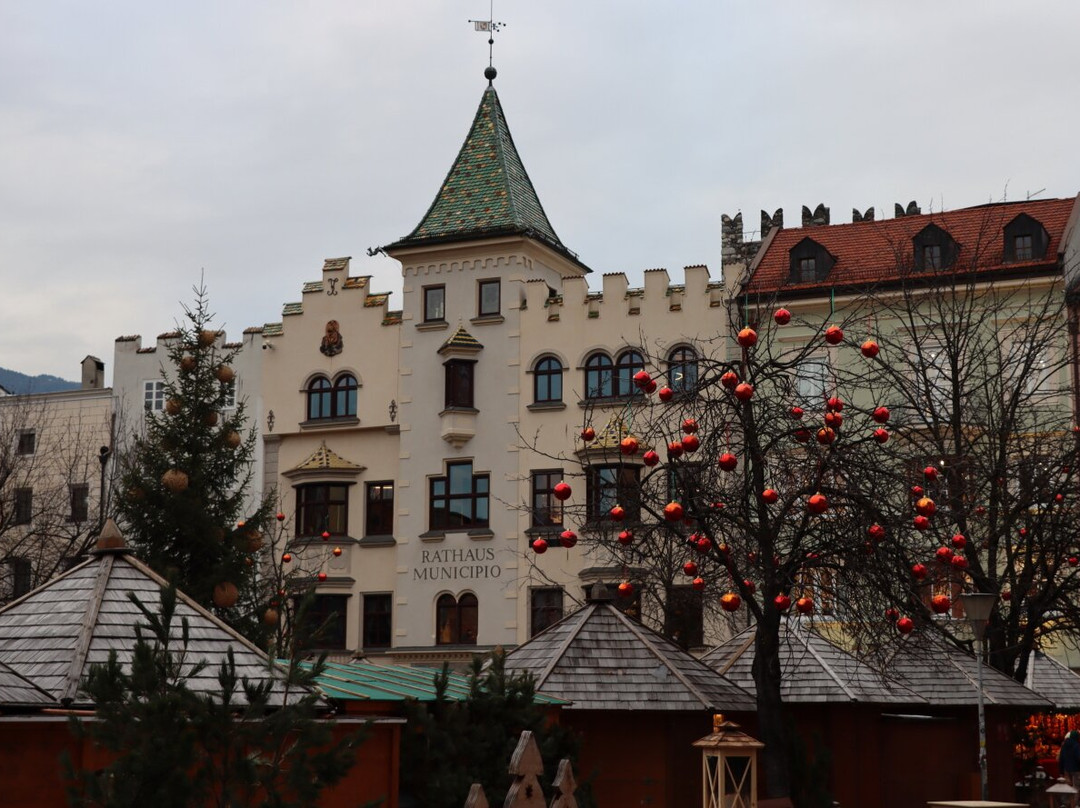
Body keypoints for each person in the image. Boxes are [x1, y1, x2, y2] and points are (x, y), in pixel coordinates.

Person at [1060, 729, 1080, 805]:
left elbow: (1061, 758)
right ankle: (1074, 804)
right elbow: (1079, 758)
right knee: (1076, 787)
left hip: (1066, 769)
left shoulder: (1064, 745)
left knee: (1067, 787)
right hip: (1076, 770)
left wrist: (1061, 770)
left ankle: (1065, 803)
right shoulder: (1076, 745)